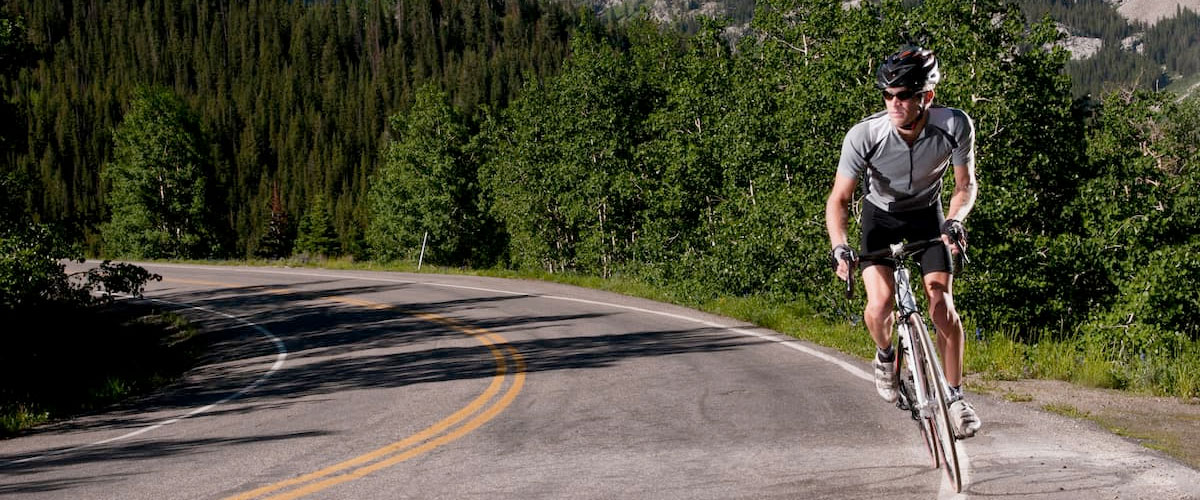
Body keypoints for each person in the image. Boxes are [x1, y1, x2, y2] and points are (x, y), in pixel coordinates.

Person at [824, 46, 981, 439]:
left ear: (926, 96)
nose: (894, 103)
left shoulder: (954, 125)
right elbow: (839, 200)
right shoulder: (865, 135)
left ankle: (956, 397)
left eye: (904, 95)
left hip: (928, 216)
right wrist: (839, 246)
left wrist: (955, 221)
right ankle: (886, 355)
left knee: (942, 306)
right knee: (879, 304)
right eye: (887, 94)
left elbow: (965, 186)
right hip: (881, 219)